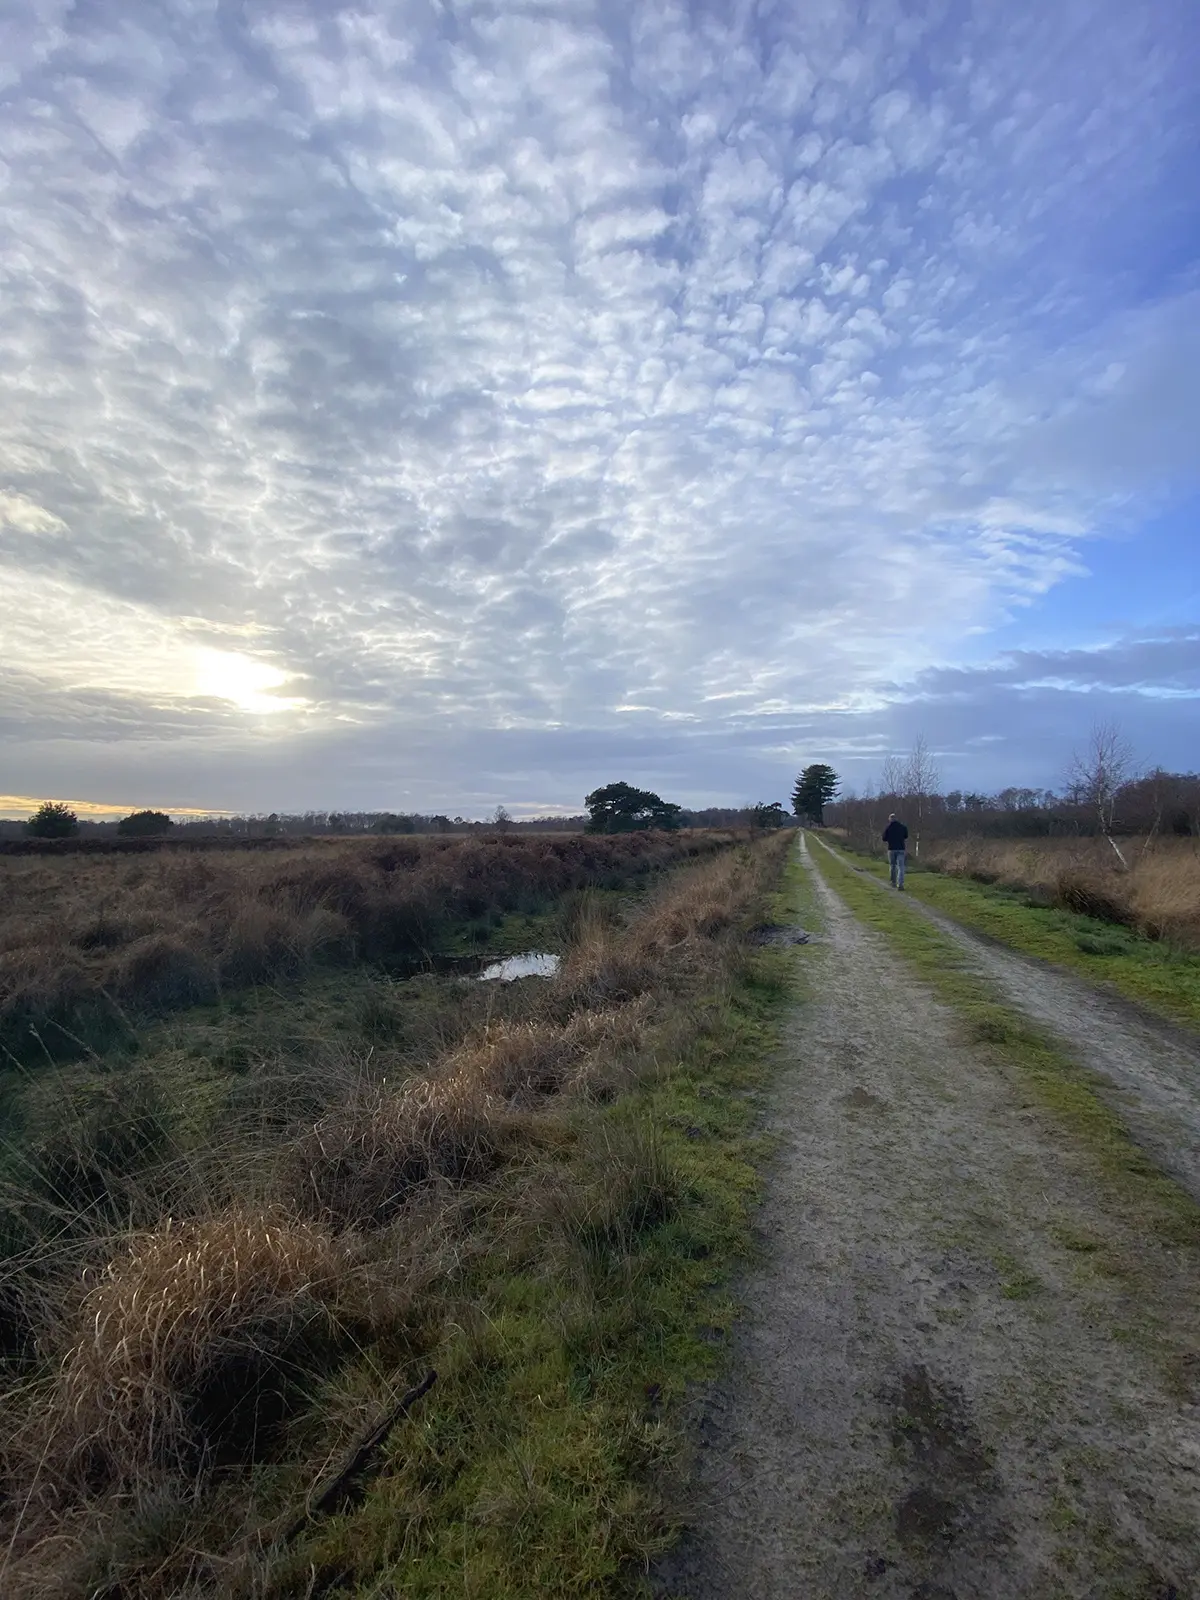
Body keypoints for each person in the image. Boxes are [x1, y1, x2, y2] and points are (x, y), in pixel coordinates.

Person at [882, 812, 908, 888]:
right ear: (896, 819)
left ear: (890, 819)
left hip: (891, 849)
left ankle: (893, 882)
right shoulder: (903, 827)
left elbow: (884, 838)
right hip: (901, 849)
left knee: (892, 866)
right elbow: (906, 836)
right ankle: (900, 884)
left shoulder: (888, 828)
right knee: (901, 867)